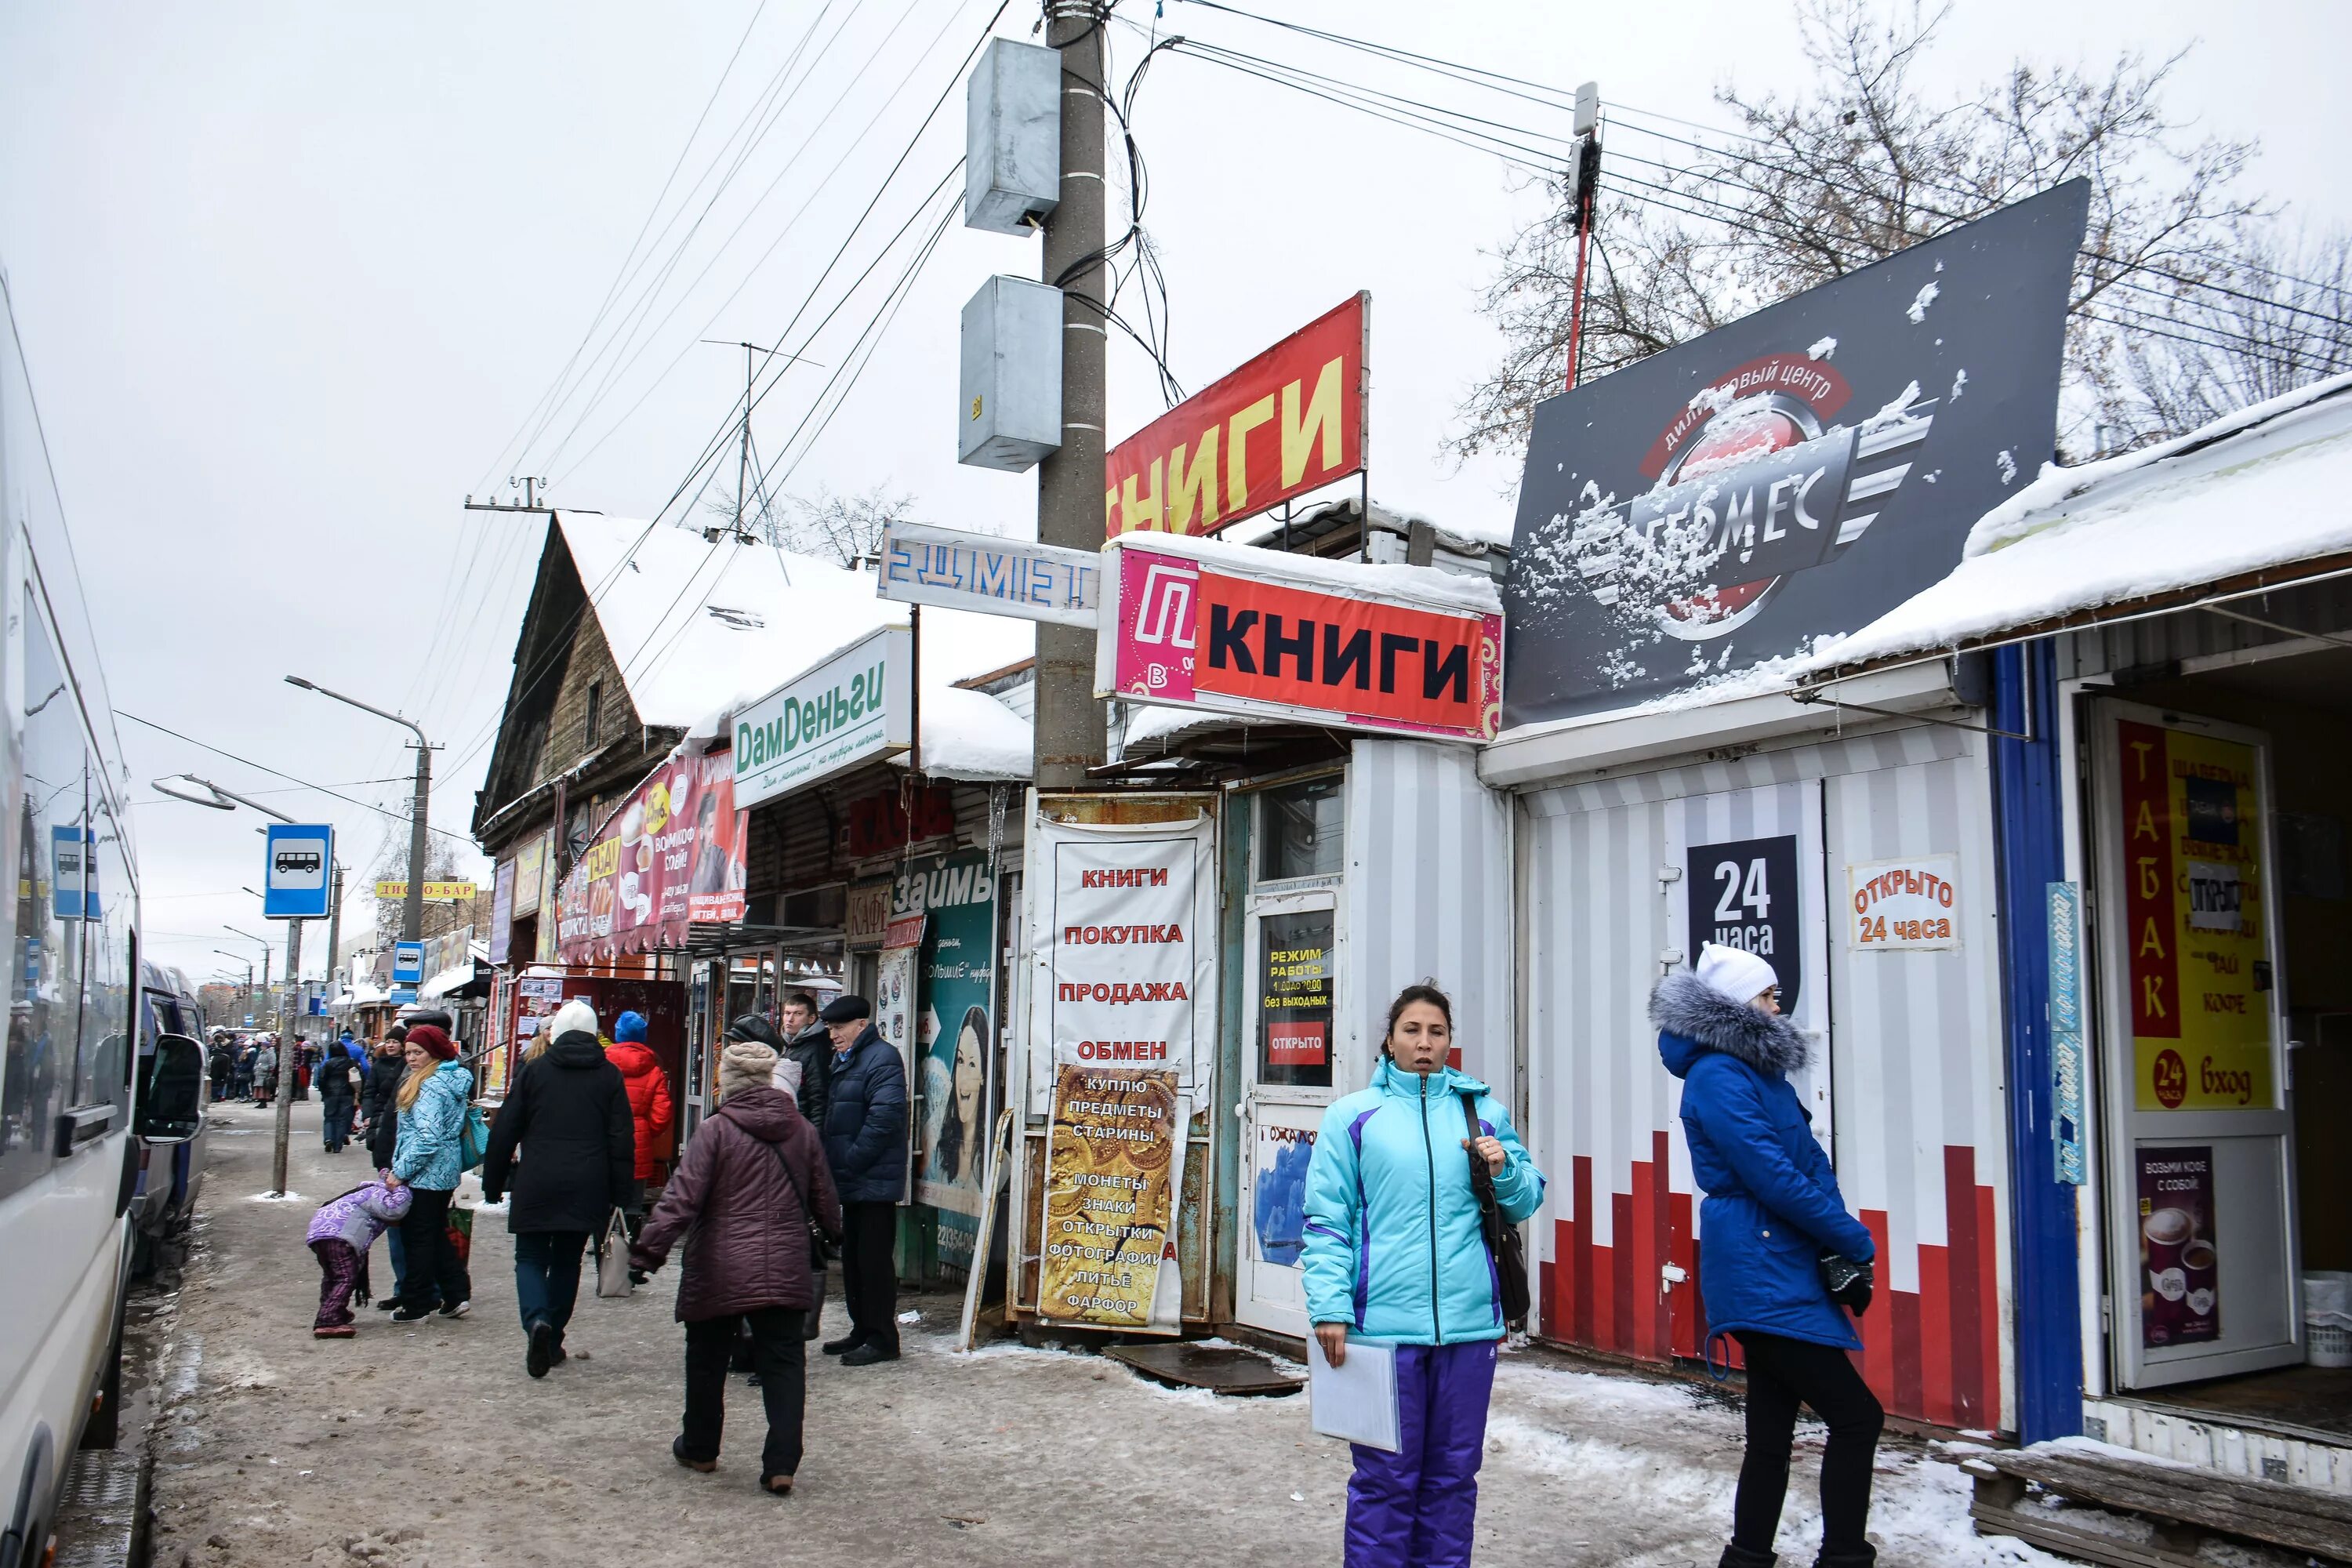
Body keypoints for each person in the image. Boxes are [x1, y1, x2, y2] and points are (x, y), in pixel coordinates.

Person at [1301, 982, 1546, 1568]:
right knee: (1385, 1480)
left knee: (1454, 1478)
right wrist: (1330, 1308)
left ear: (1449, 1041)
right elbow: (1327, 1220)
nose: (1424, 1042)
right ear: (1390, 1039)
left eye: (1436, 1032)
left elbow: (1527, 1200)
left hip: (1467, 1329)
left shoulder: (1482, 1111)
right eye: (1412, 1030)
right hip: (1382, 1329)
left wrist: (1503, 1165)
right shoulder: (1354, 1116)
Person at [1653, 944, 1882, 1568]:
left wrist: (1835, 1244)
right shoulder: (1720, 1076)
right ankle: (1842, 1557)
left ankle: (1749, 1556)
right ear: (1736, 1005)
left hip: (1778, 1259)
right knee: (1858, 1417)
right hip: (1761, 1265)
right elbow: (1773, 1176)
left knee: (1772, 1436)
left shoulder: (1756, 1074)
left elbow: (1805, 1164)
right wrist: (1852, 1240)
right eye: (1770, 994)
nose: (1781, 1005)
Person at [631, 1036, 840, 1496]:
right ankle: (781, 1464)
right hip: (785, 1263)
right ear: (768, 1080)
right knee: (784, 1362)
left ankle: (702, 1448)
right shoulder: (802, 1131)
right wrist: (835, 1235)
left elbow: (681, 1200)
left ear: (727, 1083)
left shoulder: (715, 1131)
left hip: (718, 1265)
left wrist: (647, 1253)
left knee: (706, 1358)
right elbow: (825, 1199)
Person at [482, 998, 635, 1377]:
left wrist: (493, 1181)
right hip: (587, 1183)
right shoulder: (609, 1076)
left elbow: (505, 1131)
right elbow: (621, 1140)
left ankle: (536, 1321)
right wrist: (622, 1195)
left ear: (558, 1033)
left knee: (531, 1257)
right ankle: (553, 1340)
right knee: (568, 1261)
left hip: (538, 1179)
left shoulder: (534, 1072)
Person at [814, 995, 905, 1366]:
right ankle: (862, 1329)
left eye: (838, 1028)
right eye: (830, 1029)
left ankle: (883, 1338)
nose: (833, 1035)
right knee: (853, 1261)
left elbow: (885, 1117)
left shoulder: (882, 1058)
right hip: (852, 1180)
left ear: (861, 1025)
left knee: (873, 1263)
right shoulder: (848, 1058)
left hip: (872, 1180)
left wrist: (851, 1160)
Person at [386, 1023, 474, 1323]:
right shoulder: (448, 1080)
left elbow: (428, 1138)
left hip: (425, 1173)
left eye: (418, 1052)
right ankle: (456, 1294)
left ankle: (417, 1302)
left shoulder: (430, 1086)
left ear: (433, 1053)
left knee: (418, 1238)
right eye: (408, 1052)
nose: (411, 1058)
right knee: (434, 1234)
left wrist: (400, 1171)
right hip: (442, 1170)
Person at [306, 1175, 411, 1338]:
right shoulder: (376, 1192)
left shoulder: (357, 1193)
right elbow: (393, 1211)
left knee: (332, 1277)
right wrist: (404, 1191)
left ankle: (333, 1309)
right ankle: (328, 1319)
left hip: (319, 1234)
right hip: (340, 1236)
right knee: (345, 1278)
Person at [606, 1010, 676, 1198]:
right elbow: (662, 1114)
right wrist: (644, 1128)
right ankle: (631, 1227)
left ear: (618, 1034)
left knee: (603, 1203)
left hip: (605, 1140)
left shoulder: (602, 1064)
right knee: (633, 1204)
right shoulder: (654, 1070)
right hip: (638, 1144)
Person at [775, 992, 829, 1135]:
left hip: (802, 1128)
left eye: (798, 1014)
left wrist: (815, 1138)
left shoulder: (815, 1048)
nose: (790, 1019)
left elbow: (818, 1097)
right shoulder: (787, 1043)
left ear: (811, 1018)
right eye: (787, 1013)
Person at [316, 1036, 361, 1153]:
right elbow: (360, 1077)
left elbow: (321, 1079)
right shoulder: (351, 1062)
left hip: (330, 1094)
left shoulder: (328, 1064)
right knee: (342, 1119)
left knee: (329, 1117)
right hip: (347, 1093)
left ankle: (328, 1139)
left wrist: (323, 1091)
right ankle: (338, 1145)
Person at [252, 1037, 279, 1109]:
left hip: (265, 1074)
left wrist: (263, 1068)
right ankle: (260, 1101)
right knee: (259, 1088)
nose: (261, 1047)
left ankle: (264, 1102)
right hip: (258, 1073)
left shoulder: (271, 1053)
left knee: (264, 1088)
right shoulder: (261, 1053)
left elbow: (272, 1064)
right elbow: (257, 1062)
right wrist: (256, 1068)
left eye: (263, 1046)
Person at [207, 1038, 231, 1102]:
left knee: (215, 1085)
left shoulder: (212, 1057)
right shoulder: (225, 1057)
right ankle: (220, 1096)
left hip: (214, 1073)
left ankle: (215, 1096)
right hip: (221, 1074)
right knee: (220, 1085)